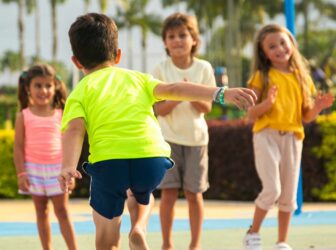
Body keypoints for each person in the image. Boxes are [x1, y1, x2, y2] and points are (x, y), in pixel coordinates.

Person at [58, 13, 256, 250]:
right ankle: (139, 227)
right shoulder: (138, 79)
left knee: (106, 229)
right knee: (142, 194)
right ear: (118, 55)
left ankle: (111, 242)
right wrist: (220, 93)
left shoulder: (79, 92)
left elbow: (74, 130)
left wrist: (68, 167)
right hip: (150, 159)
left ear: (76, 62)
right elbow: (174, 88)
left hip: (109, 163)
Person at [244, 24, 334, 250]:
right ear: (264, 53)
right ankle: (252, 233)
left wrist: (319, 107)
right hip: (266, 135)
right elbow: (251, 114)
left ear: (292, 44)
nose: (279, 48)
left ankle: (281, 242)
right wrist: (267, 103)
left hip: (293, 138)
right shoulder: (261, 77)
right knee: (272, 189)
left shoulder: (302, 78)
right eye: (272, 46)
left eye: (283, 43)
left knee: (288, 194)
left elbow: (306, 116)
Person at [152, 12, 214, 250]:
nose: (177, 40)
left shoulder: (204, 68)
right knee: (168, 194)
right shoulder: (160, 69)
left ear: (194, 39)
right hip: (167, 141)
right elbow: (160, 109)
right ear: (165, 42)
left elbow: (206, 106)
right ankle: (167, 243)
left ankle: (194, 244)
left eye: (182, 35)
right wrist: (179, 94)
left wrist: (189, 92)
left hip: (197, 141)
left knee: (194, 194)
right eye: (171, 36)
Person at [13, 64, 78, 250]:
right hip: (33, 171)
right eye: (38, 85)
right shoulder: (23, 116)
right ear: (28, 88)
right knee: (41, 212)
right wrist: (21, 174)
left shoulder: (61, 114)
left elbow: (69, 144)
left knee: (62, 212)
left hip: (58, 169)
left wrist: (69, 171)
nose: (43, 90)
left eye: (48, 86)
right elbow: (18, 148)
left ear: (55, 86)